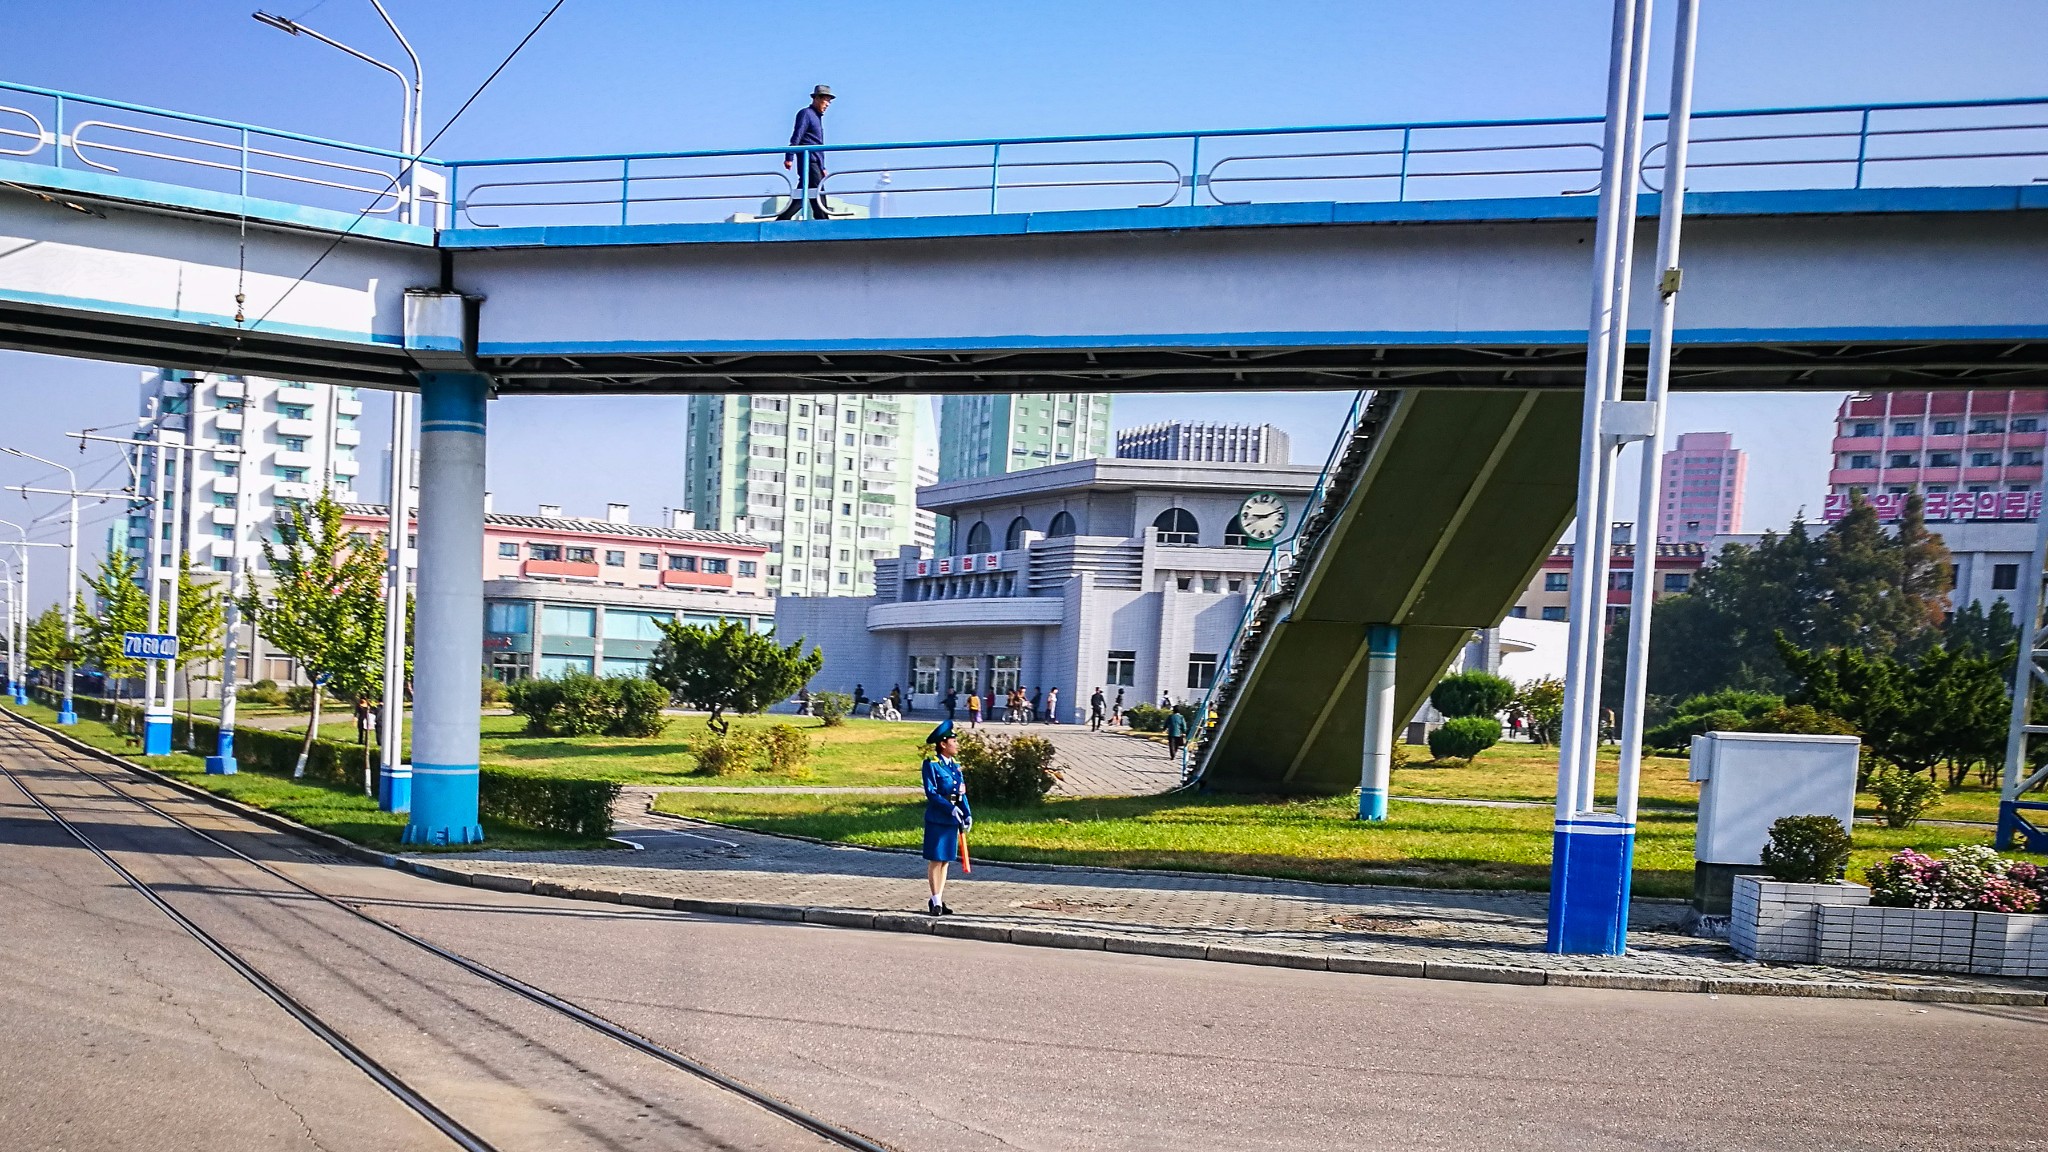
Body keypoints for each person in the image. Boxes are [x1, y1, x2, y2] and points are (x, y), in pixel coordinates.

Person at [920, 720, 971, 915]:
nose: (957, 745)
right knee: (936, 859)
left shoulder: (955, 766)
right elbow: (931, 793)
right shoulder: (931, 765)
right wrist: (949, 808)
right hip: (937, 818)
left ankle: (938, 899)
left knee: (945, 861)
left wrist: (966, 813)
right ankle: (935, 900)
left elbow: (960, 793)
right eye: (954, 741)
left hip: (952, 820)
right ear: (943, 744)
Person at [776, 85, 841, 221]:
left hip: (815, 162)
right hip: (808, 161)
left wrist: (823, 167)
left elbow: (818, 144)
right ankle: (824, 223)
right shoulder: (806, 114)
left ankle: (782, 220)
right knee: (818, 193)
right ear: (816, 98)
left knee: (802, 194)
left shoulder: (817, 117)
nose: (828, 104)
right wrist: (789, 157)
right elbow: (797, 136)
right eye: (826, 100)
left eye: (829, 101)